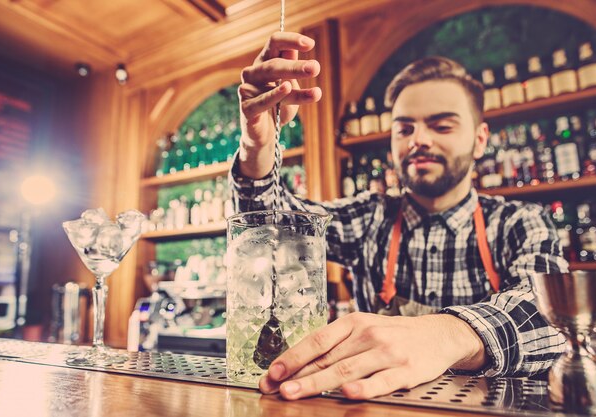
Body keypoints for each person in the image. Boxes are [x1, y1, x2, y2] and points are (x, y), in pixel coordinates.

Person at [229, 32, 568, 401]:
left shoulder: (519, 222)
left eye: (442, 125)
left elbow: (552, 316)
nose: (418, 140)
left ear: (480, 139)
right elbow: (269, 228)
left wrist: (447, 335)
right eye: (404, 128)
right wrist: (257, 144)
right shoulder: (371, 217)